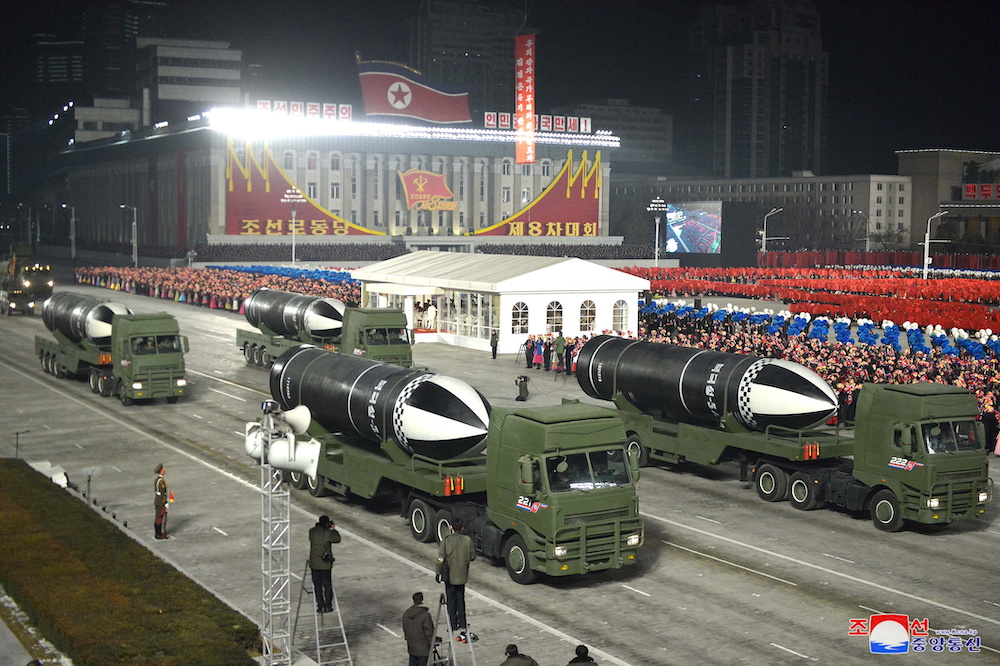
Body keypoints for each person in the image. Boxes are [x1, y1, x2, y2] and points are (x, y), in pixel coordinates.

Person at [436, 517, 476, 642]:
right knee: (461, 599)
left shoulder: (446, 541)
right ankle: (462, 622)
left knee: (451, 600)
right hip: (462, 575)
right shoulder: (467, 540)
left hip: (449, 575)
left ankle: (453, 624)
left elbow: (441, 558)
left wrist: (438, 571)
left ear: (450, 527)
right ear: (462, 528)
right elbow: (472, 556)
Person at [308, 515, 342, 613]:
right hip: (325, 564)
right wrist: (333, 529)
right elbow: (337, 539)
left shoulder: (312, 531)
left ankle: (320, 605)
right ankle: (328, 605)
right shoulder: (327, 533)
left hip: (314, 563)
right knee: (327, 584)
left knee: (317, 585)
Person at [401, 591, 434, 666]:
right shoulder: (425, 615)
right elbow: (429, 632)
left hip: (412, 646)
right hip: (423, 648)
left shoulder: (407, 613)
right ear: (422, 601)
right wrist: (432, 645)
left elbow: (405, 627)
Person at [153, 463, 168, 539]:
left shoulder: (158, 480)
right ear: (160, 471)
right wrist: (165, 502)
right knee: (159, 517)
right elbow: (162, 493)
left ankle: (158, 533)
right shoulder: (160, 481)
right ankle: (158, 534)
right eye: (163, 470)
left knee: (158, 517)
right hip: (160, 501)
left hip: (158, 501)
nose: (164, 471)